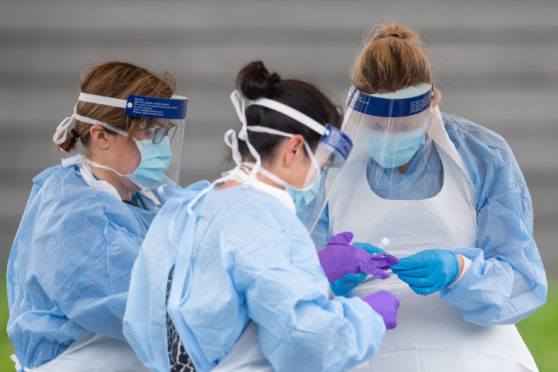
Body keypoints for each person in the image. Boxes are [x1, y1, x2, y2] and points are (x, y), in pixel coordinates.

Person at [123, 61, 400, 372]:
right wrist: (365, 318)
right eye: (320, 169)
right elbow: (303, 342)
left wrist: (312, 274)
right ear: (294, 148)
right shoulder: (262, 221)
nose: (317, 182)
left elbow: (151, 321)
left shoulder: (191, 206)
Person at [313, 24, 548, 371]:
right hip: (365, 346)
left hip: (475, 354)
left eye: (403, 124)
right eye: (377, 125)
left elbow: (523, 280)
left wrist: (461, 270)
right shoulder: (327, 163)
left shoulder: (482, 155)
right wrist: (329, 271)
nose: (390, 136)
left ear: (429, 106)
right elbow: (288, 278)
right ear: (359, 112)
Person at [6, 61, 192, 371]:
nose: (163, 148)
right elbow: (145, 300)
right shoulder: (71, 211)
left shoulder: (149, 198)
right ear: (101, 135)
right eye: (148, 132)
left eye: (164, 132)